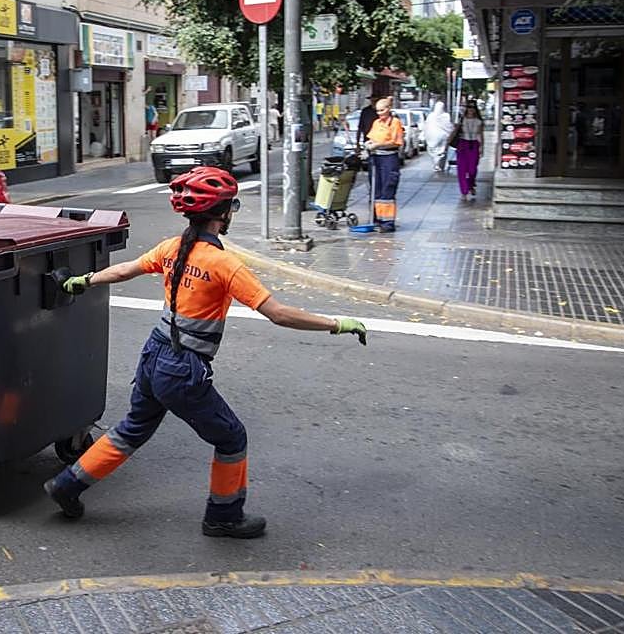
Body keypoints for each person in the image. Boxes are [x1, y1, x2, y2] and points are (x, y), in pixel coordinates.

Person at [43, 167, 368, 538]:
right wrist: (336, 323)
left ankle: (67, 485)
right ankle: (223, 516)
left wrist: (82, 281)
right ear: (224, 212)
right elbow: (277, 314)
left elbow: (123, 272)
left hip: (153, 356)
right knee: (231, 438)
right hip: (182, 369)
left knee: (131, 430)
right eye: (232, 207)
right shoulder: (223, 263)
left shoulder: (171, 248)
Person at [364, 97, 404, 232]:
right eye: (377, 111)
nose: (379, 113)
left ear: (388, 109)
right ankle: (376, 219)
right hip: (376, 158)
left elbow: (395, 142)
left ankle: (387, 223)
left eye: (382, 110)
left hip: (389, 158)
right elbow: (372, 137)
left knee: (388, 187)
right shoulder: (376, 123)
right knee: (376, 188)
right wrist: (369, 144)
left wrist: (378, 144)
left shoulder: (395, 123)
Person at [456, 101, 484, 200]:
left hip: (474, 145)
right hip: (463, 144)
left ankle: (471, 185)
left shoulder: (479, 121)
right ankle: (464, 191)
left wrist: (482, 147)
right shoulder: (461, 120)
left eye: (473, 107)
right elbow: (455, 130)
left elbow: (481, 134)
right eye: (469, 107)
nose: (471, 109)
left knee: (472, 169)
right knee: (462, 169)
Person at [424, 101, 453, 173]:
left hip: (432, 137)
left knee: (434, 152)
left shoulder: (431, 116)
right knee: (442, 151)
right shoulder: (446, 116)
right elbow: (449, 126)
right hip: (443, 137)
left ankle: (436, 165)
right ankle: (441, 165)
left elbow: (427, 126)